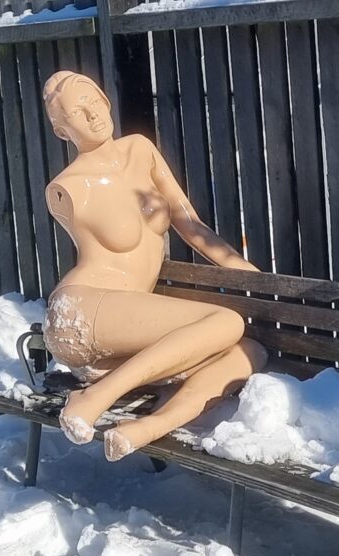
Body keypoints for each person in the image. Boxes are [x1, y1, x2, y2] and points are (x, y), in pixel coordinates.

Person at [40, 71, 267, 461]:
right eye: (77, 112)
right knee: (227, 322)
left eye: (93, 101)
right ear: (62, 131)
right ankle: (93, 398)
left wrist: (258, 279)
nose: (92, 115)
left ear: (106, 102)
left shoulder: (140, 150)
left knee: (248, 352)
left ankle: (146, 428)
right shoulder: (67, 188)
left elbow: (191, 226)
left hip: (121, 340)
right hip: (81, 311)